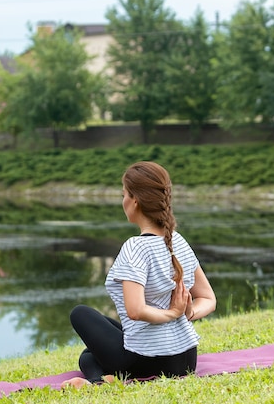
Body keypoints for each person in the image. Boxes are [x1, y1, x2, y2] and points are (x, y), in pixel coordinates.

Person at [63, 161, 216, 388]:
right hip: (186, 359)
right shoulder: (177, 240)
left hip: (149, 361)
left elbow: (135, 311)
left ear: (134, 200)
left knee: (80, 314)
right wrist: (189, 311)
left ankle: (96, 383)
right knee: (89, 354)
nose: (123, 201)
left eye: (123, 194)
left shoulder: (135, 247)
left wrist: (174, 312)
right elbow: (209, 299)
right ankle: (98, 379)